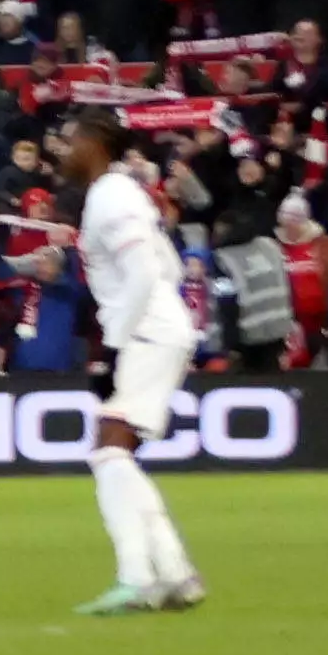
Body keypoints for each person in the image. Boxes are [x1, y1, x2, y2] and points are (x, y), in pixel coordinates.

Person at [62, 110, 210, 621]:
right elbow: (167, 264)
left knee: (109, 453)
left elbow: (146, 273)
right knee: (114, 455)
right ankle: (174, 573)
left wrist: (113, 347)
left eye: (70, 142)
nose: (63, 152)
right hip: (156, 327)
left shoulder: (111, 195)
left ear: (94, 144)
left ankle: (138, 578)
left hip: (145, 331)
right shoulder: (121, 193)